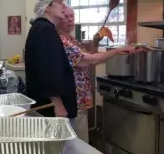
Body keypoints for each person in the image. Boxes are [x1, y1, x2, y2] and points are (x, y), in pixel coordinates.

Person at [57, 7, 137, 142]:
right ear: (58, 18)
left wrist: (95, 42)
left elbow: (88, 57)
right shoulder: (62, 42)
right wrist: (119, 50)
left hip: (79, 99)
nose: (70, 20)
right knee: (78, 146)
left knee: (80, 142)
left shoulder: (70, 39)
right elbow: (90, 61)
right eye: (66, 17)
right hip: (72, 100)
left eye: (72, 16)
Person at [25, 0, 78, 122]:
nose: (64, 7)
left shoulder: (40, 28)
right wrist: (58, 104)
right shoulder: (45, 30)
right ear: (47, 7)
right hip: (51, 108)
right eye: (60, 2)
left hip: (43, 104)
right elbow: (49, 70)